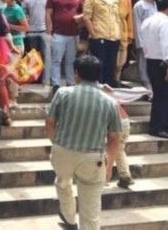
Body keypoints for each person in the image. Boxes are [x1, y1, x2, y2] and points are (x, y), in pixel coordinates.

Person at [46, 55, 122, 230]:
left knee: (62, 184)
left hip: (63, 152)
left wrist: (56, 143)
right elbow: (114, 138)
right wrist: (109, 164)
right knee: (91, 209)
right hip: (93, 159)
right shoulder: (110, 102)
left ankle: (69, 218)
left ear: (77, 73)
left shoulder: (63, 93)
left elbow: (49, 123)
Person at [45, 0, 83, 95]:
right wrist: (49, 30)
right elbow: (48, 14)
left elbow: (82, 12)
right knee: (56, 59)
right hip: (58, 33)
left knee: (70, 60)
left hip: (73, 33)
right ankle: (56, 83)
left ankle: (70, 82)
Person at [83, 0, 122, 87]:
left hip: (114, 37)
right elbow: (87, 18)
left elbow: (117, 17)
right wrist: (94, 35)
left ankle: (109, 85)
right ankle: (97, 85)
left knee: (111, 64)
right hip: (99, 36)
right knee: (99, 64)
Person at [141, 0, 168, 139]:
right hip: (162, 62)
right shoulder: (165, 23)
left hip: (150, 60)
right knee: (163, 96)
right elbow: (166, 46)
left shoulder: (147, 21)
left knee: (158, 95)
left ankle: (156, 126)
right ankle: (160, 127)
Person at [1, 0, 28, 108]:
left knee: (12, 71)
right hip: (5, 43)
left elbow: (25, 27)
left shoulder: (17, 9)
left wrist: (9, 26)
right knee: (5, 71)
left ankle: (13, 98)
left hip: (16, 42)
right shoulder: (4, 8)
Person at [22, 0, 50, 80]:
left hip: (45, 29)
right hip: (32, 30)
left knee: (46, 54)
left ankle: (46, 78)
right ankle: (35, 77)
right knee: (34, 55)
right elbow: (24, 12)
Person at [133, 0, 159, 91]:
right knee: (143, 66)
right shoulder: (139, 5)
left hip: (154, 41)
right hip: (144, 41)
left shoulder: (154, 4)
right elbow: (137, 25)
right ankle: (147, 88)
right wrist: (140, 44)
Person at [114, 0, 134, 87]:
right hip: (111, 32)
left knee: (121, 62)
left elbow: (129, 16)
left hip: (123, 31)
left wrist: (130, 33)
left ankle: (117, 80)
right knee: (112, 61)